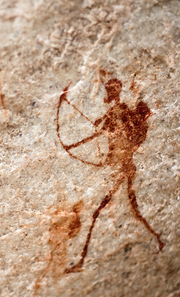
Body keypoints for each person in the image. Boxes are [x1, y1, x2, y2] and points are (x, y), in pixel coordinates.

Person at [59, 78, 164, 273]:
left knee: (100, 211)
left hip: (122, 167)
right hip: (122, 165)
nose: (108, 95)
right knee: (132, 208)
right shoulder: (120, 114)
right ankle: (157, 236)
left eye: (110, 91)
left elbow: (101, 134)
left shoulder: (122, 114)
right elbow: (105, 132)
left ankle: (82, 259)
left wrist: (75, 145)